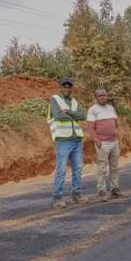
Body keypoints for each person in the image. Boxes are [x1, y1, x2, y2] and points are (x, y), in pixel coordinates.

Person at [48, 78, 87, 209]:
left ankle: (77, 195)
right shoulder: (54, 99)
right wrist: (74, 115)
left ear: (71, 88)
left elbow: (83, 116)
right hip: (63, 140)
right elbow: (58, 116)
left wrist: (69, 112)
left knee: (78, 168)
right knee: (61, 170)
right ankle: (57, 198)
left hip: (77, 139)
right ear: (61, 88)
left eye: (69, 87)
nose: (67, 89)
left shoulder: (74, 102)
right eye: (64, 87)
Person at [87, 88, 127, 202]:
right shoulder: (92, 110)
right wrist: (97, 141)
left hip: (114, 142)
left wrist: (116, 136)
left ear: (107, 96)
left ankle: (115, 189)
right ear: (96, 97)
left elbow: (115, 124)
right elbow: (90, 128)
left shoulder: (111, 108)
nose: (102, 97)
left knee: (114, 167)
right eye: (99, 96)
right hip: (102, 143)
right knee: (102, 168)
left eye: (104, 95)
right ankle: (101, 191)